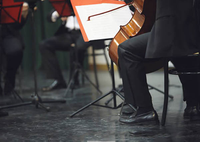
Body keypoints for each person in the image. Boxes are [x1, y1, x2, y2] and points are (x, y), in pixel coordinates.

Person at [118, 0, 200, 125]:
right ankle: (194, 106)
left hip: (177, 31)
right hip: (192, 31)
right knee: (182, 51)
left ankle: (143, 110)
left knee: (126, 50)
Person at [40, 6, 105, 92]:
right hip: (69, 33)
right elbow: (50, 17)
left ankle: (74, 80)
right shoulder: (68, 3)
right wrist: (58, 13)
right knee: (44, 45)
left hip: (87, 32)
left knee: (77, 47)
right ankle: (59, 81)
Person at [0, 2, 29, 117]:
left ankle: (9, 80)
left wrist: (24, 14)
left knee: (16, 51)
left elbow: (18, 25)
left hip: (8, 33)